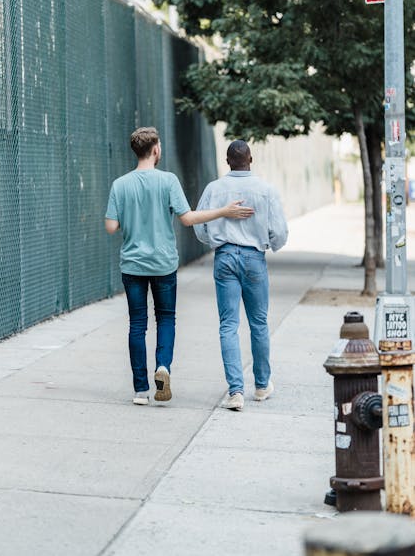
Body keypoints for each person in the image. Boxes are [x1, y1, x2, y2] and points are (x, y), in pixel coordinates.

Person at [105, 127, 253, 406]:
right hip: (163, 264)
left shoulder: (120, 185)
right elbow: (188, 219)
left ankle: (140, 390)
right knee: (166, 318)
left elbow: (111, 226)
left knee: (137, 324)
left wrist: (133, 219)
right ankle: (163, 367)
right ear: (156, 149)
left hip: (133, 266)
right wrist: (224, 211)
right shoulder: (168, 181)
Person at [194, 139, 288, 411]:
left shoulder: (214, 188)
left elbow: (200, 225)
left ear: (227, 161)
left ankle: (235, 392)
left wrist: (214, 240)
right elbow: (279, 232)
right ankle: (261, 386)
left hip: (224, 258)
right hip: (253, 259)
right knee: (258, 323)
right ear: (251, 159)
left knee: (228, 325)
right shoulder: (266, 190)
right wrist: (270, 244)